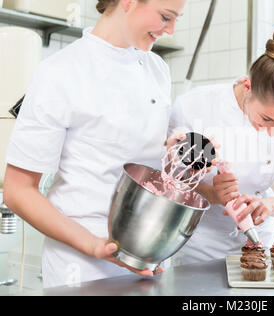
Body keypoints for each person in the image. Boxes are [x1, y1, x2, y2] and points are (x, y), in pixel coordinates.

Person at [3, 0, 186, 288]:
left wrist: (175, 152)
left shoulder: (157, 69)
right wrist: (91, 244)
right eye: (165, 17)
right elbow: (18, 191)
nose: (172, 30)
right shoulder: (60, 72)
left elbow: (140, 160)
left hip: (148, 258)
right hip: (82, 266)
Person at [168, 27, 274, 266]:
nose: (273, 131)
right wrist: (213, 195)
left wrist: (269, 205)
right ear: (247, 87)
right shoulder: (195, 108)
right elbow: (172, 186)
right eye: (267, 119)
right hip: (199, 249)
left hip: (262, 244)